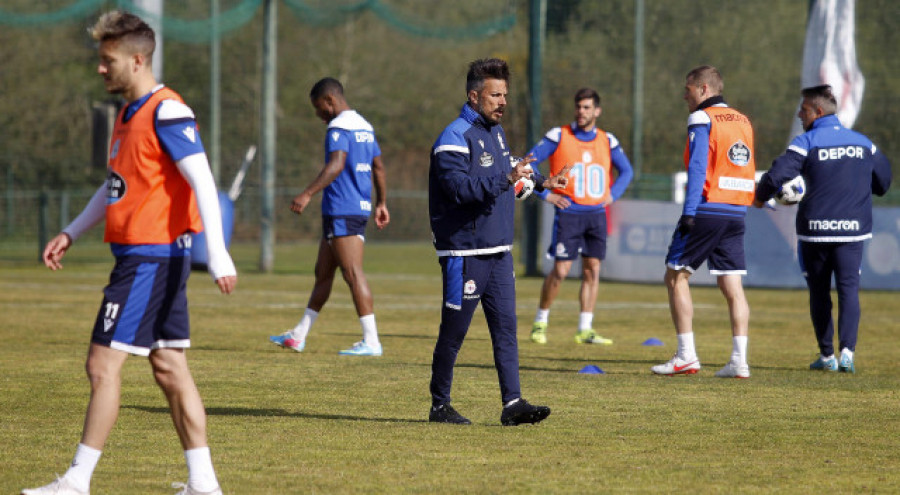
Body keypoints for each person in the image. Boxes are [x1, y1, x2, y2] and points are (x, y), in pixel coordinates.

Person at [24, 11, 237, 495]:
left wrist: (219, 254)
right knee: (168, 367)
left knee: (101, 366)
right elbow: (116, 186)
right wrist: (72, 231)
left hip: (151, 259)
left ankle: (76, 482)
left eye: (108, 60)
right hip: (146, 258)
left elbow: (202, 178)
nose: (101, 68)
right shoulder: (128, 114)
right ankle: (204, 483)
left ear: (137, 59)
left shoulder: (168, 110)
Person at [428, 58, 567, 426]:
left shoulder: (496, 133)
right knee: (454, 333)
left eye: (505, 94)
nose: (502, 101)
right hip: (465, 253)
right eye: (495, 95)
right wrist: (506, 179)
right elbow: (459, 189)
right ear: (474, 96)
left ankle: (512, 403)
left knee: (506, 330)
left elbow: (512, 166)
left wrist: (541, 184)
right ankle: (439, 405)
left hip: (499, 252)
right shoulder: (453, 137)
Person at [754, 84, 892, 373]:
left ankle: (827, 356)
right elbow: (884, 181)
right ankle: (848, 355)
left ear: (817, 111)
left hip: (814, 231)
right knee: (848, 290)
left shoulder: (806, 142)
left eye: (803, 110)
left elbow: (777, 173)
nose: (798, 115)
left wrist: (760, 196)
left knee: (819, 293)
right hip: (852, 231)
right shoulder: (864, 143)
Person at [269, 77, 389, 356]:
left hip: (342, 209)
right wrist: (381, 202)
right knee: (323, 274)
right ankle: (299, 335)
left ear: (330, 101)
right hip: (356, 207)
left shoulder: (339, 127)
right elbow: (379, 167)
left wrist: (307, 193)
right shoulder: (365, 127)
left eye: (318, 108)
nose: (318, 115)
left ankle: (371, 341)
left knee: (352, 272)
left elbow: (336, 164)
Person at [652, 65, 755, 379]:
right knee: (732, 285)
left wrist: (689, 212)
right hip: (736, 210)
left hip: (708, 208)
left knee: (675, 276)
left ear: (704, 89)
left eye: (688, 89)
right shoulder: (743, 120)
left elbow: (698, 167)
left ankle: (686, 356)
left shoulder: (701, 118)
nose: (685, 95)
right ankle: (739, 360)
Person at [526, 88, 634, 346]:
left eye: (587, 107)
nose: (581, 112)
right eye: (578, 107)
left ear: (597, 111)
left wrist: (612, 195)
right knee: (561, 270)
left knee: (592, 270)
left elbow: (627, 171)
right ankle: (540, 321)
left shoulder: (608, 140)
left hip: (596, 215)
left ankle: (585, 328)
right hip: (569, 213)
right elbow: (528, 163)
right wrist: (546, 195)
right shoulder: (559, 135)